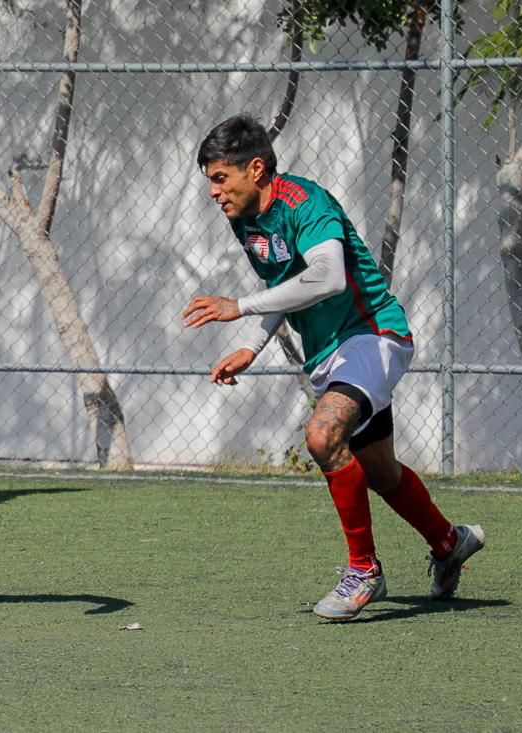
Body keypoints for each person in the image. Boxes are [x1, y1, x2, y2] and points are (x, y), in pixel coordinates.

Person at [184, 114, 484, 622]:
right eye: (209, 180)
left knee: (322, 437)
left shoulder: (306, 203)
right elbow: (287, 283)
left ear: (255, 169)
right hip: (329, 353)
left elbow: (327, 278)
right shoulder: (245, 218)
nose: (213, 191)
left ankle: (363, 570)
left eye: (219, 178)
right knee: (381, 473)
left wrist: (240, 307)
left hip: (372, 337)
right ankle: (448, 542)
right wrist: (252, 346)